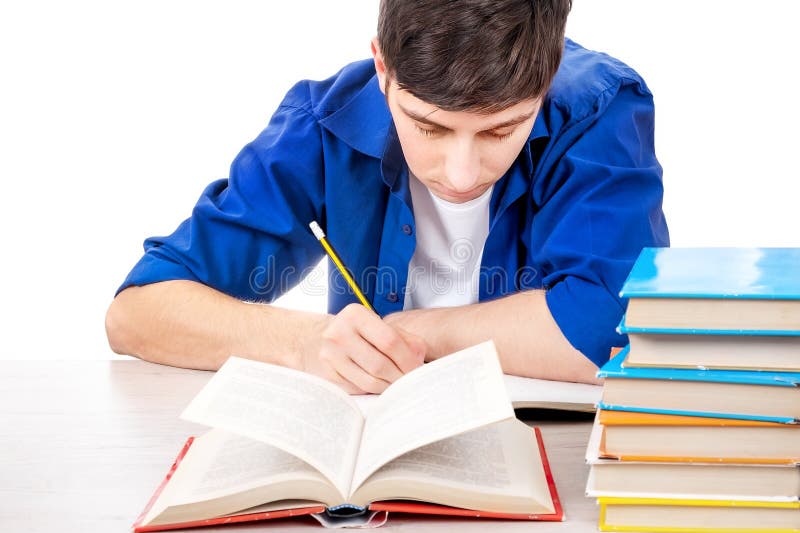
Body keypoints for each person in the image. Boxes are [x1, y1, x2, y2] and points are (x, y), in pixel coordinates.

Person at [105, 0, 669, 392]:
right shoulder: (323, 124)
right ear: (382, 67)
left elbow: (615, 326)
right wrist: (306, 342)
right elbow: (136, 313)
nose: (461, 175)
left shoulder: (598, 110)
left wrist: (410, 333)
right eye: (429, 127)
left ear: (548, 77)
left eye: (500, 131)